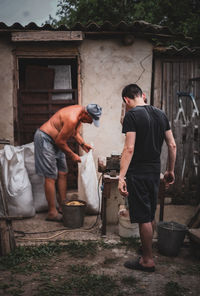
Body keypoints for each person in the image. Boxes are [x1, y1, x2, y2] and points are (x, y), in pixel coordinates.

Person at [118, 84, 176, 272]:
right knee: (150, 213)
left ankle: (147, 260)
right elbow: (172, 145)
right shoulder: (161, 114)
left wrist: (121, 177)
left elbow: (129, 148)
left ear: (127, 100)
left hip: (138, 173)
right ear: (143, 95)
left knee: (143, 217)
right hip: (154, 171)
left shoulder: (132, 116)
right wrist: (170, 171)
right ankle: (146, 249)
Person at [34, 104, 102, 221]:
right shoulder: (72, 118)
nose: (91, 123)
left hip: (57, 140)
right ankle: (52, 212)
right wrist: (72, 155)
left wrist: (83, 144)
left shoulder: (80, 115)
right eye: (91, 120)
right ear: (86, 114)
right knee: (50, 176)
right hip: (45, 138)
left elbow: (74, 133)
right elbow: (60, 141)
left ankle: (63, 206)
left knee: (63, 173)